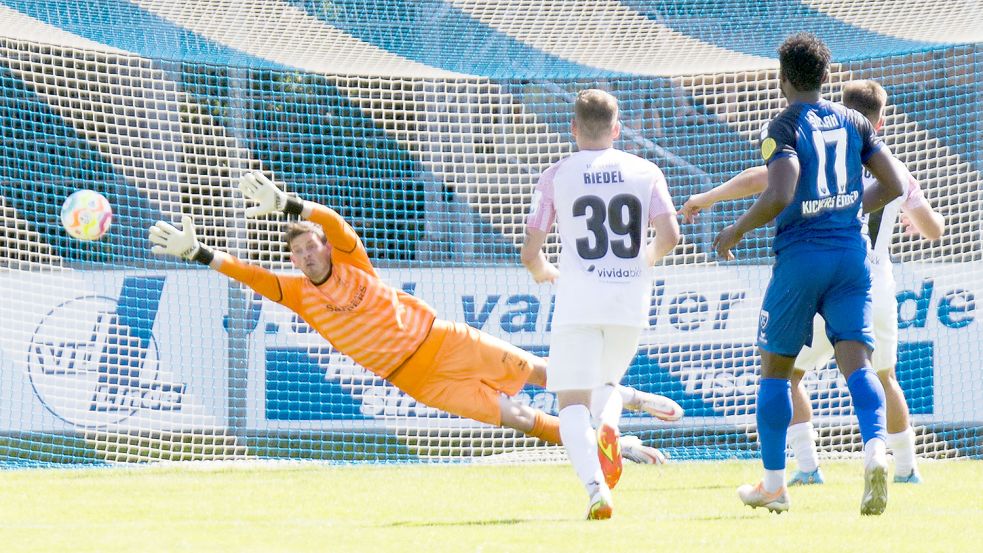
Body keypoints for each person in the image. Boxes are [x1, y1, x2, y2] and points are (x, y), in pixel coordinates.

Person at [148, 171, 683, 466]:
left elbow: (331, 220)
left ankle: (628, 399)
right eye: (299, 252)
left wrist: (291, 205)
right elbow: (245, 274)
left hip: (443, 341)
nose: (307, 255)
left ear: (326, 249)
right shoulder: (293, 291)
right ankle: (622, 446)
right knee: (521, 420)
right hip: (416, 380)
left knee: (547, 376)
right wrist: (199, 253)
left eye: (312, 247)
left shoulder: (350, 257)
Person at [683, 80, 945, 486]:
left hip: (821, 267)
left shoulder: (820, 147)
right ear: (882, 119)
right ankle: (905, 468)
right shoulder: (895, 170)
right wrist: (908, 218)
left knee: (787, 375)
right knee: (883, 375)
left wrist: (712, 198)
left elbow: (765, 179)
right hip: (871, 279)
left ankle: (806, 467)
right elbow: (935, 229)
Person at [710, 33, 906, 515]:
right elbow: (895, 183)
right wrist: (846, 205)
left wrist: (734, 231)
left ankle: (775, 485)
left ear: (782, 79)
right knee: (858, 364)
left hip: (801, 257)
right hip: (850, 256)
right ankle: (876, 451)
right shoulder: (855, 120)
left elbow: (780, 192)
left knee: (776, 371)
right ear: (825, 76)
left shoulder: (784, 124)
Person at [520, 89, 681, 519]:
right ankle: (610, 418)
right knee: (604, 385)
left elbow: (531, 250)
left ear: (573, 128)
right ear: (617, 128)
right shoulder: (646, 171)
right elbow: (670, 236)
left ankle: (596, 489)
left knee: (571, 404)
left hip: (579, 301)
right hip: (629, 302)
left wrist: (543, 271)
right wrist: (643, 262)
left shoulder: (556, 174)